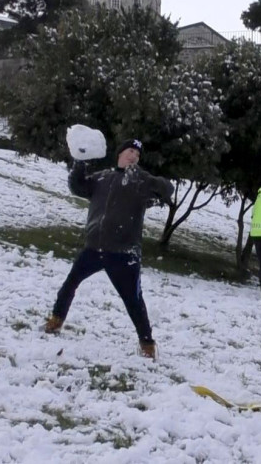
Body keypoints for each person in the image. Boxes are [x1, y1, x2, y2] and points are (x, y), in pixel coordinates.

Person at [44, 139, 173, 360]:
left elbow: (167, 189)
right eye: (130, 151)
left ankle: (147, 344)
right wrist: (80, 163)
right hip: (94, 248)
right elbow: (78, 186)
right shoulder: (102, 178)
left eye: (138, 155)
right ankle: (56, 321)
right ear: (120, 154)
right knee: (70, 283)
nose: (134, 156)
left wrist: (145, 178)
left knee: (133, 300)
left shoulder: (139, 181)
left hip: (124, 253)